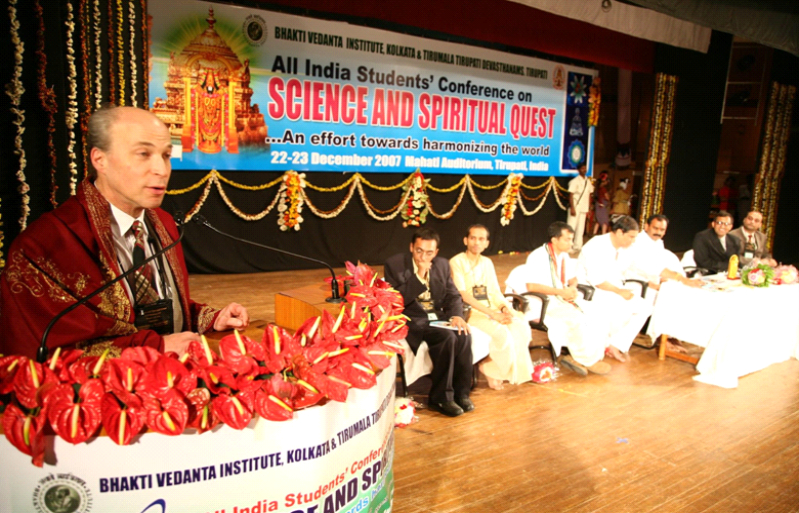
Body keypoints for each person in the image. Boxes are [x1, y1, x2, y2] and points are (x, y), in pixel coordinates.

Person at [0, 105, 249, 360]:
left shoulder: (163, 223)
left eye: (166, 155)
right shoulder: (45, 244)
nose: (162, 170)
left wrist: (209, 319)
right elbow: (47, 349)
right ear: (100, 160)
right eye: (143, 154)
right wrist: (154, 348)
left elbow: (157, 308)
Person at [383, 228, 474, 417]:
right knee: (447, 337)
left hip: (437, 318)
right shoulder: (394, 264)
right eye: (419, 251)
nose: (423, 257)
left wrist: (456, 316)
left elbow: (453, 295)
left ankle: (461, 393)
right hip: (413, 320)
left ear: (436, 252)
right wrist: (419, 275)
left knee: (463, 334)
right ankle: (441, 397)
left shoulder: (441, 265)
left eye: (429, 252)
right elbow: (396, 300)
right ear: (411, 247)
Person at [508, 222, 611, 376]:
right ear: (555, 240)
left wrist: (572, 288)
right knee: (576, 318)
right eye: (567, 239)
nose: (571, 243)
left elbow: (572, 279)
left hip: (560, 298)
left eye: (571, 239)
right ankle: (585, 360)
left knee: (597, 313)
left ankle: (585, 357)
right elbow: (531, 286)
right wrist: (561, 292)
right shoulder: (538, 256)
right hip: (542, 302)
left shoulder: (564, 256)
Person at [450, 225, 534, 390]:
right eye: (473, 238)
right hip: (471, 313)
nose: (476, 242)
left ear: (487, 243)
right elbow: (463, 294)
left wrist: (504, 309)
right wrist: (492, 314)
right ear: (465, 240)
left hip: (492, 310)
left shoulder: (487, 262)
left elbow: (495, 292)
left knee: (520, 327)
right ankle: (489, 368)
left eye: (481, 239)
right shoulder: (456, 261)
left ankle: (510, 372)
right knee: (502, 333)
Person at [577, 216, 652, 362]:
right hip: (591, 290)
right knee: (622, 307)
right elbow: (597, 281)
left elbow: (635, 269)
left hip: (614, 289)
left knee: (645, 307)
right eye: (631, 237)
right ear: (619, 232)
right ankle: (602, 344)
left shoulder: (625, 248)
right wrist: (620, 292)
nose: (633, 241)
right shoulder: (597, 245)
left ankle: (616, 344)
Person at [626, 214, 704, 298]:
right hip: (638, 285)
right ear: (646, 226)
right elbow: (653, 268)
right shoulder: (637, 242)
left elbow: (662, 266)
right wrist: (681, 279)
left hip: (656, 281)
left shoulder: (658, 242)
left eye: (662, 230)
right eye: (655, 228)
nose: (658, 232)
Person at [567, 163, 594, 251]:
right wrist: (572, 208)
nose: (584, 170)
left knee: (581, 228)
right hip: (575, 207)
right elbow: (571, 195)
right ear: (578, 170)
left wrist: (589, 208)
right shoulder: (574, 181)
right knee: (571, 227)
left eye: (585, 168)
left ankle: (578, 246)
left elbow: (589, 195)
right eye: (582, 168)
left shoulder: (588, 181)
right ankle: (568, 247)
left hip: (584, 207)